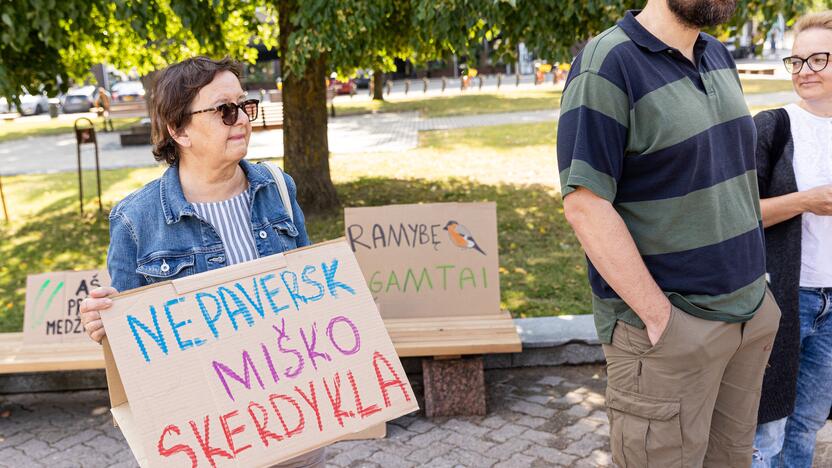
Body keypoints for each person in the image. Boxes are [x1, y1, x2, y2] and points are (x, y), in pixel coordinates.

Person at [556, 0, 781, 466]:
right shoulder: (608, 63)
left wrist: (758, 292)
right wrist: (662, 321)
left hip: (747, 317)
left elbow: (729, 178)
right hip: (671, 332)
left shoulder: (716, 53)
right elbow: (585, 205)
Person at [79, 56, 325, 468]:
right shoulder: (135, 219)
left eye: (245, 106)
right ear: (178, 130)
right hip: (209, 436)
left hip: (293, 419)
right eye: (224, 110)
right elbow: (134, 342)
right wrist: (106, 323)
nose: (242, 120)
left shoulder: (279, 189)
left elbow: (311, 289)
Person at [752, 11, 832, 468]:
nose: (805, 70)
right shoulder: (772, 127)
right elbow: (737, 216)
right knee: (767, 427)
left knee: (808, 423)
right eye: (797, 61)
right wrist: (805, 200)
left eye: (818, 59)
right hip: (784, 296)